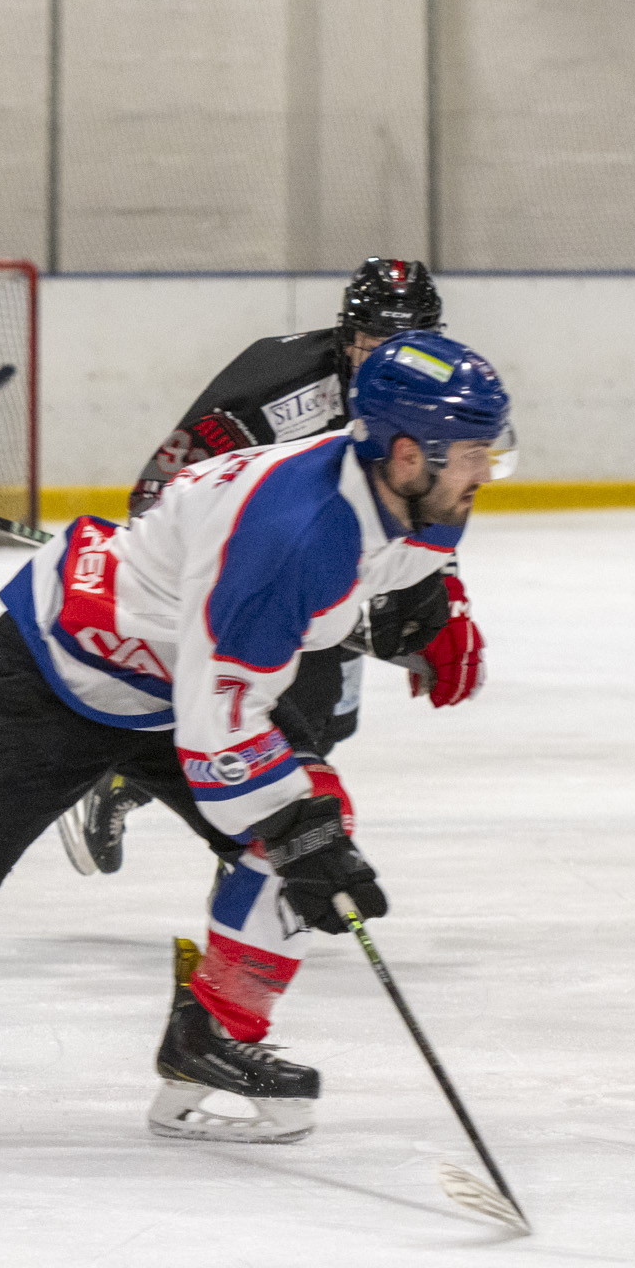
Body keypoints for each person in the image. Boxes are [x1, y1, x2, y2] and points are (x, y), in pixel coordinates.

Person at [0, 334, 511, 1152]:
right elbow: (217, 726)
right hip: (60, 667)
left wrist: (432, 608)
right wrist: (297, 831)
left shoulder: (405, 493)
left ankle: (213, 1041)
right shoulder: (295, 534)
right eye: (474, 453)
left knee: (308, 821)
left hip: (171, 669)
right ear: (408, 452)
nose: (486, 471)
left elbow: (377, 577)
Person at [66, 257, 459, 876]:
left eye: (413, 346)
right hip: (247, 566)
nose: (393, 364)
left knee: (328, 726)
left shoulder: (436, 395)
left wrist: (438, 606)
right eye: (378, 345)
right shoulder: (279, 383)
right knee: (266, 717)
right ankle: (243, 859)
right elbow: (158, 487)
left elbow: (428, 503)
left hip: (326, 561)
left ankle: (152, 792)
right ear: (346, 338)